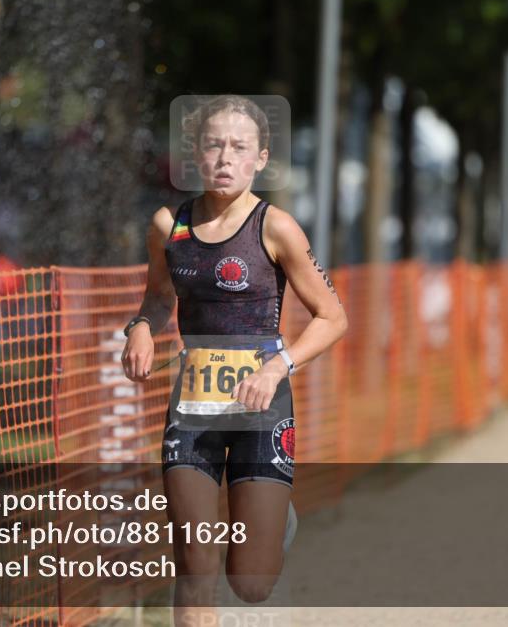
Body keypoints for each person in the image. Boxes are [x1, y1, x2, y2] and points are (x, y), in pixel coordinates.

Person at [121, 95, 347, 624]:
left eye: (240, 147)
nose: (225, 157)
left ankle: (274, 522)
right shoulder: (169, 226)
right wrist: (141, 329)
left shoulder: (276, 227)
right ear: (196, 154)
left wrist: (278, 366)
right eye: (214, 145)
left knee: (251, 583)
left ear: (260, 159)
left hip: (262, 411)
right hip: (193, 410)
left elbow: (333, 316)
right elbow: (158, 298)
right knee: (194, 564)